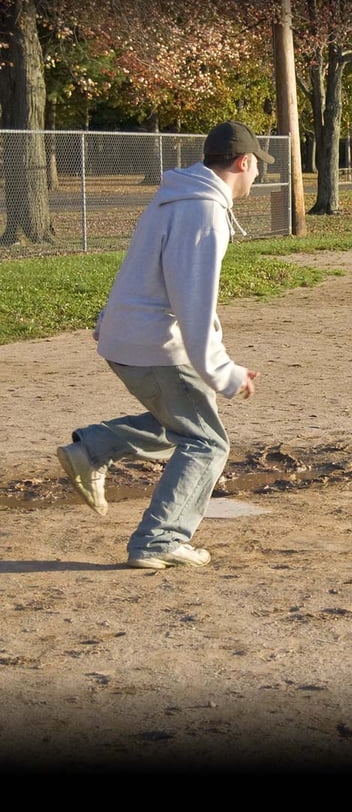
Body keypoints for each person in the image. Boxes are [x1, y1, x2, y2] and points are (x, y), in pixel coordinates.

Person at [56, 121, 270, 570]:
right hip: (155, 344)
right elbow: (192, 301)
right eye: (257, 167)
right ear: (243, 162)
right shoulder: (203, 212)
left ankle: (93, 448)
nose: (257, 175)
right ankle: (160, 539)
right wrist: (223, 372)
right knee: (206, 442)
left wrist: (110, 320)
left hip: (128, 337)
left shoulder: (173, 199)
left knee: (183, 420)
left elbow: (139, 269)